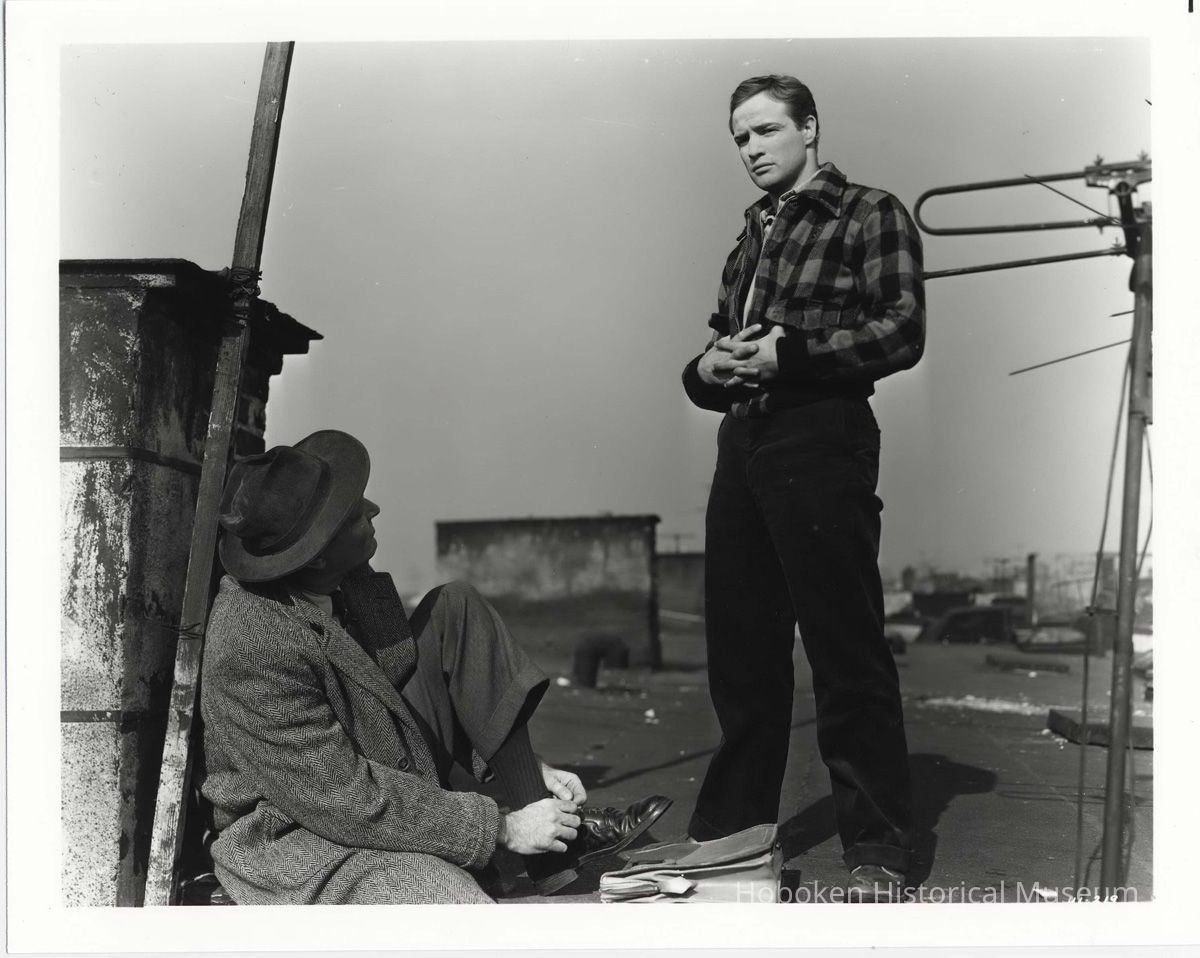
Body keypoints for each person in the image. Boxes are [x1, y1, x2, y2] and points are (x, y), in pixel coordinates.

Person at [199, 429, 671, 904]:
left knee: (456, 606)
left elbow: (397, 677)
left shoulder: (340, 576)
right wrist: (502, 827)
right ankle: (538, 835)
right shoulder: (251, 645)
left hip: (367, 757)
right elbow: (342, 799)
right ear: (317, 553)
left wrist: (525, 771)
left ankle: (547, 839)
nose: (374, 510)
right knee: (450, 906)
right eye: (354, 512)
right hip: (304, 828)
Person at [681, 75, 926, 902]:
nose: (750, 149)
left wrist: (796, 356)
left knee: (843, 649)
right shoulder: (749, 236)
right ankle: (732, 840)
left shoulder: (869, 212)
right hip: (743, 442)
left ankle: (880, 848)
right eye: (738, 138)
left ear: (810, 127)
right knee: (743, 655)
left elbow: (902, 330)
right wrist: (706, 368)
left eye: (764, 131)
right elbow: (719, 350)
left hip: (822, 436)